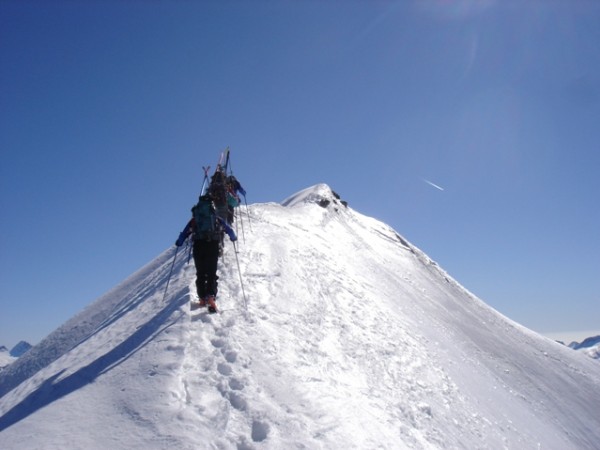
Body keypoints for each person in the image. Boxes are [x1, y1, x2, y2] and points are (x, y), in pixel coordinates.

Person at [176, 192, 237, 313]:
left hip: (198, 246)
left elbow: (184, 234)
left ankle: (202, 298)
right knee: (211, 273)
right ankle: (211, 297)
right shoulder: (215, 217)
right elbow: (228, 229)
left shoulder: (195, 219)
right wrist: (233, 237)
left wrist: (179, 242)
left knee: (200, 273)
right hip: (212, 245)